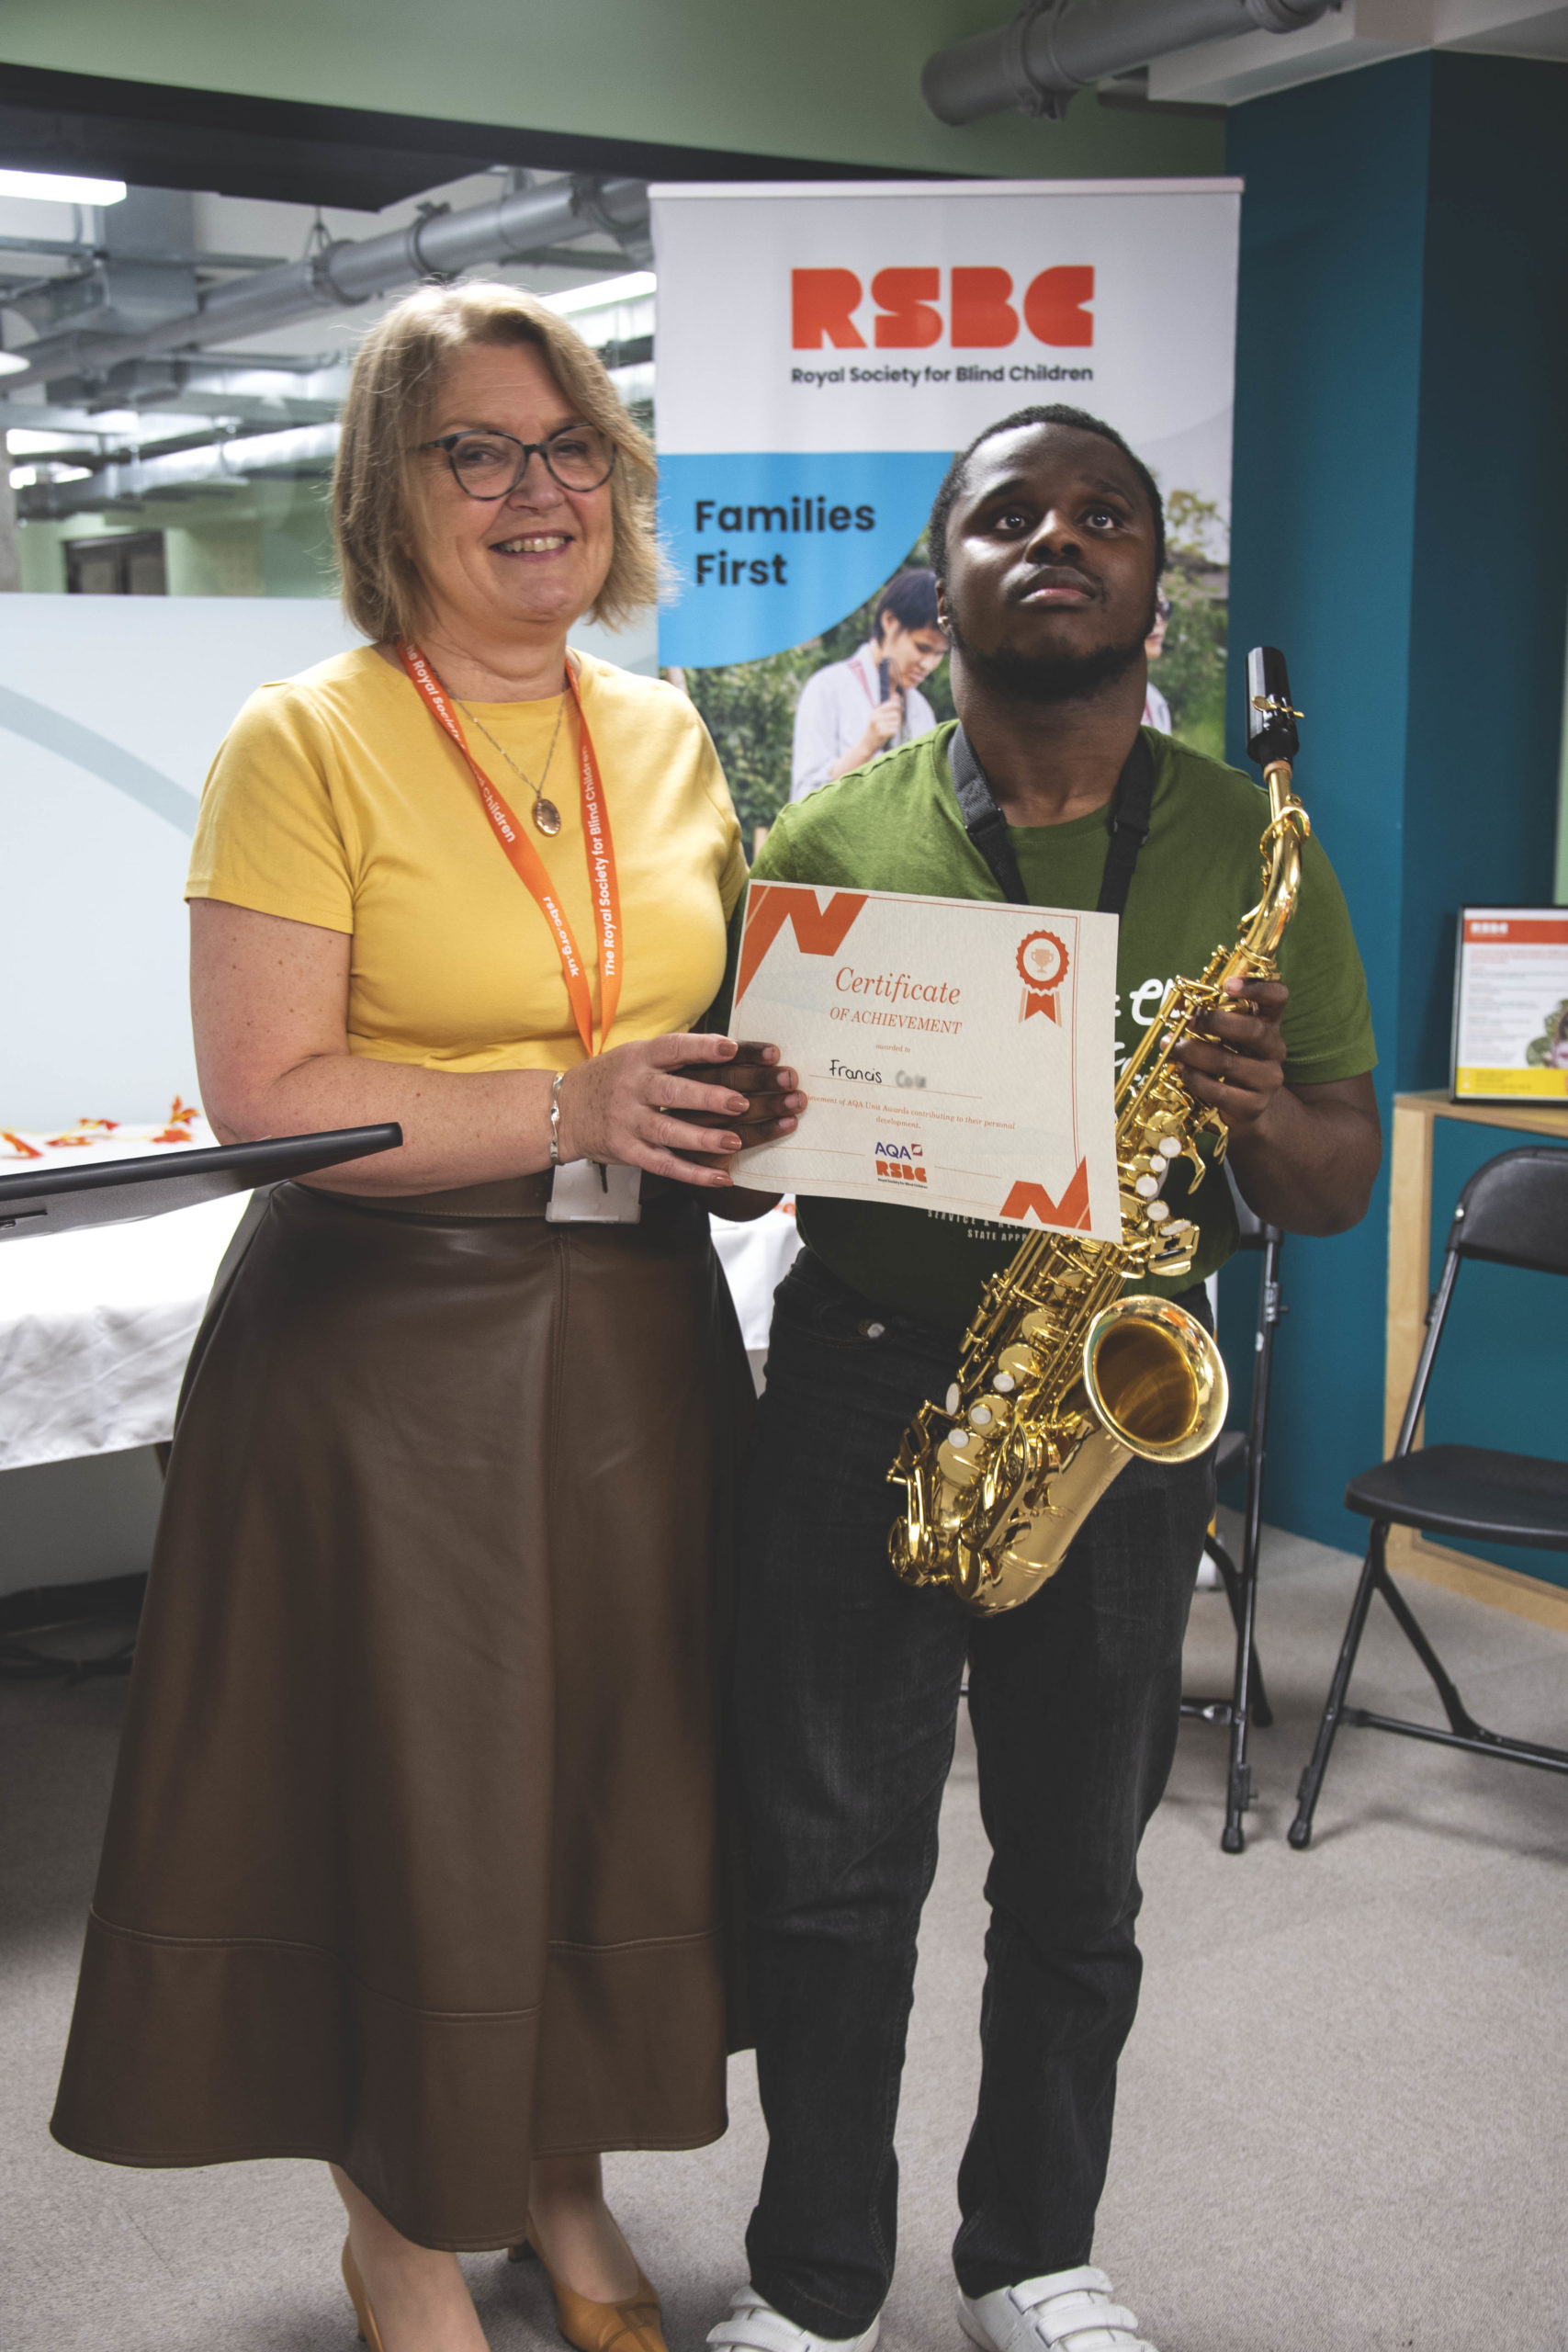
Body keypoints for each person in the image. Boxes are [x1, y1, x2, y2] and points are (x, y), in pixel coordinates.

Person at [50, 282, 803, 2352]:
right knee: (415, 1805)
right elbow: (268, 1095)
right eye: (477, 450)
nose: (534, 490)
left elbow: (699, 1028)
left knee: (598, 1784)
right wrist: (565, 1106)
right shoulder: (302, 739)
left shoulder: (663, 733)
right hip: (387, 1351)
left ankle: (553, 2172)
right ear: (394, 491)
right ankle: (396, 2225)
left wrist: (754, 1116)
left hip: (638, 1334)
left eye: (569, 448)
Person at [707, 405, 1382, 2352]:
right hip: (858, 1380)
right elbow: (750, 1167)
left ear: (1152, 582)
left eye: (1103, 514)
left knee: (1077, 1873)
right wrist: (755, 1108)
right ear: (947, 574)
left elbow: (1333, 1180)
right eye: (1009, 514)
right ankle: (815, 2280)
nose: (1058, 539)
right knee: (826, 1868)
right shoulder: (828, 838)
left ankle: (1031, 2252)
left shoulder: (1252, 845)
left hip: (1112, 1398)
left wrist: (1259, 1113)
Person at [789, 568, 947, 800]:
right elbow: (803, 801)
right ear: (889, 621)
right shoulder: (828, 688)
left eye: (939, 654)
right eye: (922, 647)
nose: (928, 664)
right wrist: (867, 746)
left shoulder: (920, 710)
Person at [1142, 590, 1173, 731]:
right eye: (1146, 610)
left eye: (1163, 609)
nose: (1158, 620)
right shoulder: (1091, 702)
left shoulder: (1155, 700)